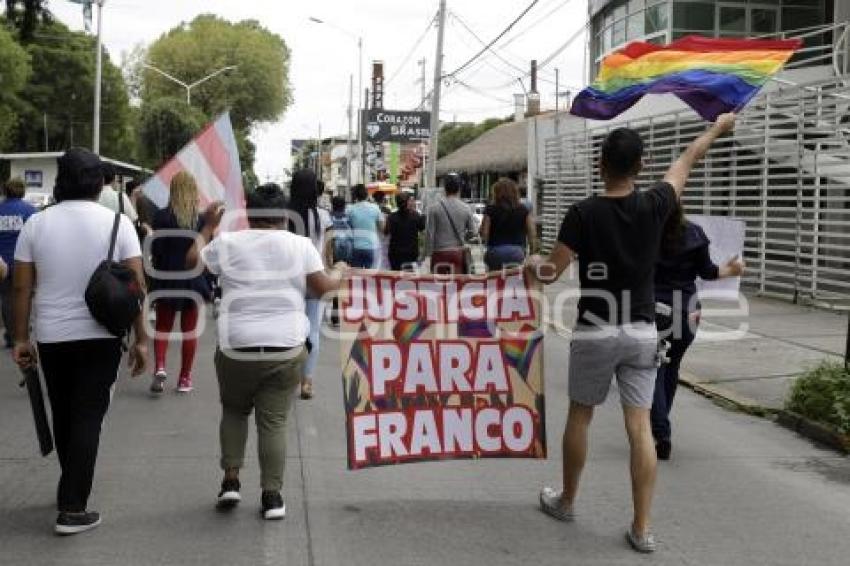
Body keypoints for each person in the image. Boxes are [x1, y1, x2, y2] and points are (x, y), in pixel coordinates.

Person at [526, 113, 737, 554]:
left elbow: (549, 272)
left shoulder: (582, 213)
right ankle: (642, 528)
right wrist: (718, 127)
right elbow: (689, 156)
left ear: (600, 164)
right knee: (640, 428)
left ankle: (566, 501)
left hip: (595, 330)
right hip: (642, 330)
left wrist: (531, 265)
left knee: (580, 415)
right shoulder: (657, 203)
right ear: (640, 166)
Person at [186, 183, 346, 520]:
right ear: (284, 215)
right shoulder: (301, 246)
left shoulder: (227, 243)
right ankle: (271, 496)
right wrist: (339, 272)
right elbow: (320, 291)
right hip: (285, 350)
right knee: (273, 423)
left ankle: (230, 481)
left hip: (235, 348)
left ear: (249, 212)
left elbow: (191, 263)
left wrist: (208, 227)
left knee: (233, 411)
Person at [12, 148, 147, 535]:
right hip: (101, 335)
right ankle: (73, 508)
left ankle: (69, 488)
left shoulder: (36, 224)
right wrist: (142, 340)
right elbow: (135, 287)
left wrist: (21, 337)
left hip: (52, 336)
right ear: (99, 181)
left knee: (66, 413)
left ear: (61, 180)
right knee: (88, 417)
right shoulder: (118, 223)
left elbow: (21, 287)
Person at [652, 199, 745, 460]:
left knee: (653, 370)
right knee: (671, 368)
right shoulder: (694, 233)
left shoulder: (646, 234)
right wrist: (734, 269)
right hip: (687, 312)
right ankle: (661, 427)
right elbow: (709, 272)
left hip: (652, 310)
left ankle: (661, 433)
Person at [149, 171, 211, 394]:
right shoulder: (201, 220)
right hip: (193, 282)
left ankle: (161, 366)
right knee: (189, 332)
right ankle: (185, 378)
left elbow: (156, 251)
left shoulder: (161, 217)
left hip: (166, 280)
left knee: (163, 328)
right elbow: (206, 253)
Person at [286, 170, 332, 400]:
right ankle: (307, 381)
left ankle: (289, 378)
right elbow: (328, 250)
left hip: (289, 279)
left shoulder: (284, 215)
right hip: (316, 277)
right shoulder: (323, 216)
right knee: (313, 329)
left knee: (290, 328)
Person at [0, 177, 36, 347]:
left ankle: (10, 333)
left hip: (1, 263)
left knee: (6, 298)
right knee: (24, 295)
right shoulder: (30, 211)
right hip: (23, 263)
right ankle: (22, 329)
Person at [480, 178, 536, 272]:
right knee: (515, 280)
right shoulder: (524, 210)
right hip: (517, 253)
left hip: (495, 253)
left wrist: (486, 245)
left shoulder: (490, 209)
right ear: (515, 192)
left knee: (494, 281)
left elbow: (484, 233)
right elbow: (532, 234)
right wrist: (532, 252)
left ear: (496, 193)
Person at [426, 173, 475, 275]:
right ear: (459, 189)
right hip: (458, 254)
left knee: (439, 287)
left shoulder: (434, 208)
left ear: (445, 188)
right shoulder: (466, 208)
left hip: (439, 253)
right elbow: (472, 233)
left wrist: (427, 256)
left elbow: (430, 234)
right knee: (457, 287)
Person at [326, 196, 353, 327]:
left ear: (332, 205)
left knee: (335, 282)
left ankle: (335, 313)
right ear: (344, 206)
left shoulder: (329, 217)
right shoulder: (349, 217)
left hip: (334, 252)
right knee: (345, 283)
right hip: (347, 251)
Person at [346, 184, 384, 269]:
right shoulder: (375, 208)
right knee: (370, 278)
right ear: (367, 195)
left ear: (355, 195)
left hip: (356, 247)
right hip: (372, 247)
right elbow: (382, 228)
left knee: (356, 277)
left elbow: (347, 227)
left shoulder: (350, 209)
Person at [385, 192, 425, 271]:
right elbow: (422, 228)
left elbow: (386, 232)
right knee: (409, 278)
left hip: (395, 253)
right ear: (407, 202)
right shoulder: (415, 215)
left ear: (396, 203)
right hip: (411, 253)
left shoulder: (391, 217)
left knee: (396, 277)